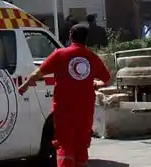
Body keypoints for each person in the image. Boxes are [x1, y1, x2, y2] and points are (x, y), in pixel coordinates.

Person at [18, 24, 111, 166]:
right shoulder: (92, 57)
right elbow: (107, 80)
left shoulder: (60, 55)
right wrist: (96, 84)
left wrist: (24, 86)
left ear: (70, 36)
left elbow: (37, 73)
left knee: (64, 144)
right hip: (85, 111)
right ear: (86, 38)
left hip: (64, 110)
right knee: (81, 145)